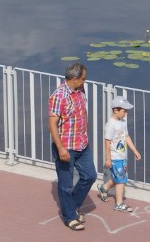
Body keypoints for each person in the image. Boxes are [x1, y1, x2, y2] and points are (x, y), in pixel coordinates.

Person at [48, 62, 97, 231]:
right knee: (65, 185)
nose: (85, 82)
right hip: (66, 147)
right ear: (74, 79)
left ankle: (72, 206)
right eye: (83, 79)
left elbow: (83, 112)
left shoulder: (80, 90)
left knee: (90, 175)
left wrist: (86, 132)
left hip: (82, 144)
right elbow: (52, 123)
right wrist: (60, 148)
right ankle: (69, 217)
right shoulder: (59, 96)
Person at [96, 95, 142, 213]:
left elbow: (126, 137)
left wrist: (134, 150)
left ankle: (104, 188)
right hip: (115, 157)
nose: (126, 113)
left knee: (118, 177)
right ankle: (119, 203)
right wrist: (108, 159)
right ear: (116, 110)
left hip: (122, 155)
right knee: (121, 179)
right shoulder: (111, 125)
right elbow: (107, 143)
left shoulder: (122, 122)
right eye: (124, 111)